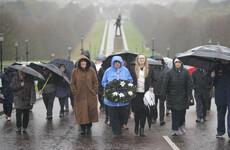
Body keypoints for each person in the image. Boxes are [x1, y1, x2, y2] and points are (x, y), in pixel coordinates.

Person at [102, 56, 133, 138]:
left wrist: (126, 85)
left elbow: (130, 80)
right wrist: (109, 86)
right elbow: (103, 82)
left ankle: (120, 126)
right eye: (115, 62)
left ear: (121, 63)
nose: (117, 64)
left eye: (118, 62)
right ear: (113, 63)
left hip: (123, 100)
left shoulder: (126, 70)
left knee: (123, 116)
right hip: (111, 100)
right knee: (113, 116)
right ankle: (117, 132)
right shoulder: (108, 71)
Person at [161, 58, 192, 136]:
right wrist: (163, 95)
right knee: (174, 114)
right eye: (176, 62)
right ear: (174, 63)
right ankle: (174, 129)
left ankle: (180, 125)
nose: (178, 63)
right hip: (172, 96)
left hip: (183, 96)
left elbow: (189, 85)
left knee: (182, 113)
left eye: (179, 62)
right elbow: (165, 85)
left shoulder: (186, 72)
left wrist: (190, 96)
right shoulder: (169, 72)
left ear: (181, 63)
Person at [70, 55, 98, 135]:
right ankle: (82, 128)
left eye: (84, 61)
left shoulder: (92, 70)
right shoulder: (75, 71)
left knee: (90, 112)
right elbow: (72, 83)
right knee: (81, 113)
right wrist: (75, 92)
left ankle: (89, 127)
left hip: (90, 96)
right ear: (79, 63)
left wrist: (94, 91)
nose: (83, 63)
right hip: (79, 96)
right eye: (81, 61)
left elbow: (95, 82)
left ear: (87, 62)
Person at [130, 54, 156, 137]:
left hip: (145, 94)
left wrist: (152, 87)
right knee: (137, 112)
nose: (141, 60)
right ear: (137, 60)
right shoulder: (133, 69)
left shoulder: (150, 69)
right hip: (136, 94)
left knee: (144, 112)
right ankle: (136, 125)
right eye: (140, 58)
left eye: (143, 58)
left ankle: (142, 129)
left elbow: (155, 80)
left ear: (145, 60)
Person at [207, 59, 230, 139]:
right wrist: (211, 76)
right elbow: (209, 83)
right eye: (222, 60)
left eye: (225, 60)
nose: (224, 61)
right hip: (220, 96)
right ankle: (220, 131)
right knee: (220, 115)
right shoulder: (215, 67)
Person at [154, 55, 169, 125]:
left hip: (163, 89)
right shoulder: (152, 68)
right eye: (157, 60)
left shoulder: (166, 69)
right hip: (154, 89)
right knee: (153, 105)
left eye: (160, 60)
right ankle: (154, 118)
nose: (159, 61)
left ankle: (161, 119)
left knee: (162, 105)